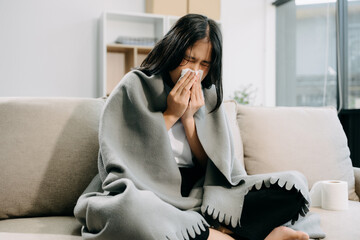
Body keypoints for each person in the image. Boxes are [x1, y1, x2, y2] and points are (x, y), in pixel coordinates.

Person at [74, 14, 323, 240]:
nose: (194, 71)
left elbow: (219, 172)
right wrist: (171, 114)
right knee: (128, 214)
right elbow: (124, 159)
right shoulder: (135, 86)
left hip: (201, 194)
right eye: (189, 59)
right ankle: (233, 234)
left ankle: (200, 229)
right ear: (172, 51)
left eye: (204, 64)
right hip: (146, 192)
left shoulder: (209, 96)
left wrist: (189, 120)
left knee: (294, 184)